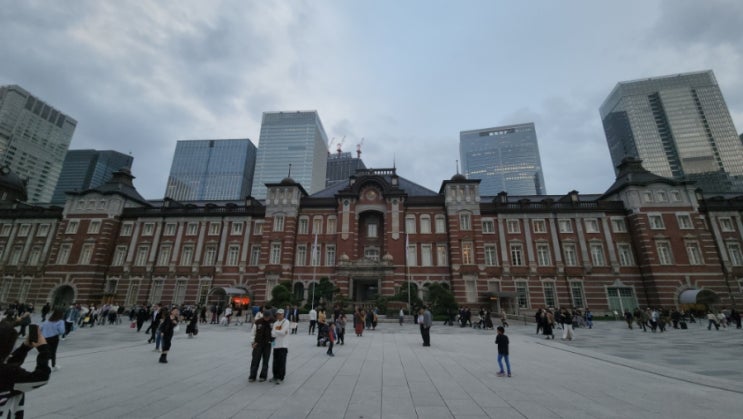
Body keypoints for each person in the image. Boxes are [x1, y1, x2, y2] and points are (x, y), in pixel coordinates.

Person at [0, 322, 51, 419]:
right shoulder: (9, 373)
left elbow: (8, 364)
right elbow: (41, 378)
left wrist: (24, 348)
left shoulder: (6, 371)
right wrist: (43, 349)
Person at [249, 310, 273, 382]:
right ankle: (252, 376)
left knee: (265, 361)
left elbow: (275, 333)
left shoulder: (273, 322)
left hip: (268, 344)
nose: (266, 318)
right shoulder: (258, 322)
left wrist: (273, 343)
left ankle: (263, 376)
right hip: (258, 344)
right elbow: (253, 332)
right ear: (263, 316)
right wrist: (252, 342)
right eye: (265, 317)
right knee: (255, 360)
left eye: (268, 317)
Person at [271, 309, 290, 384]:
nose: (278, 315)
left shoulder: (286, 322)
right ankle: (275, 376)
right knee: (275, 362)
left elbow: (283, 332)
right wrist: (279, 332)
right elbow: (272, 334)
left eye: (280, 314)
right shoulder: (275, 323)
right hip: (276, 345)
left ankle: (280, 377)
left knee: (281, 362)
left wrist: (277, 332)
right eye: (277, 314)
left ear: (283, 315)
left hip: (283, 345)